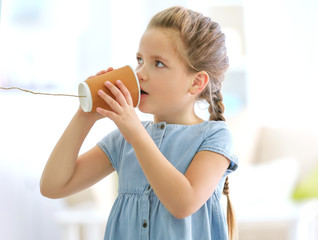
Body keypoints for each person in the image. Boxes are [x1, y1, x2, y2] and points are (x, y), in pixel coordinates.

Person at [40, 6, 238, 240]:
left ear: (196, 83)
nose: (140, 73)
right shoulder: (125, 139)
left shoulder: (214, 136)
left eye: (158, 63)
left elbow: (183, 203)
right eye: (140, 60)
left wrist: (135, 133)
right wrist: (84, 117)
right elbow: (53, 186)